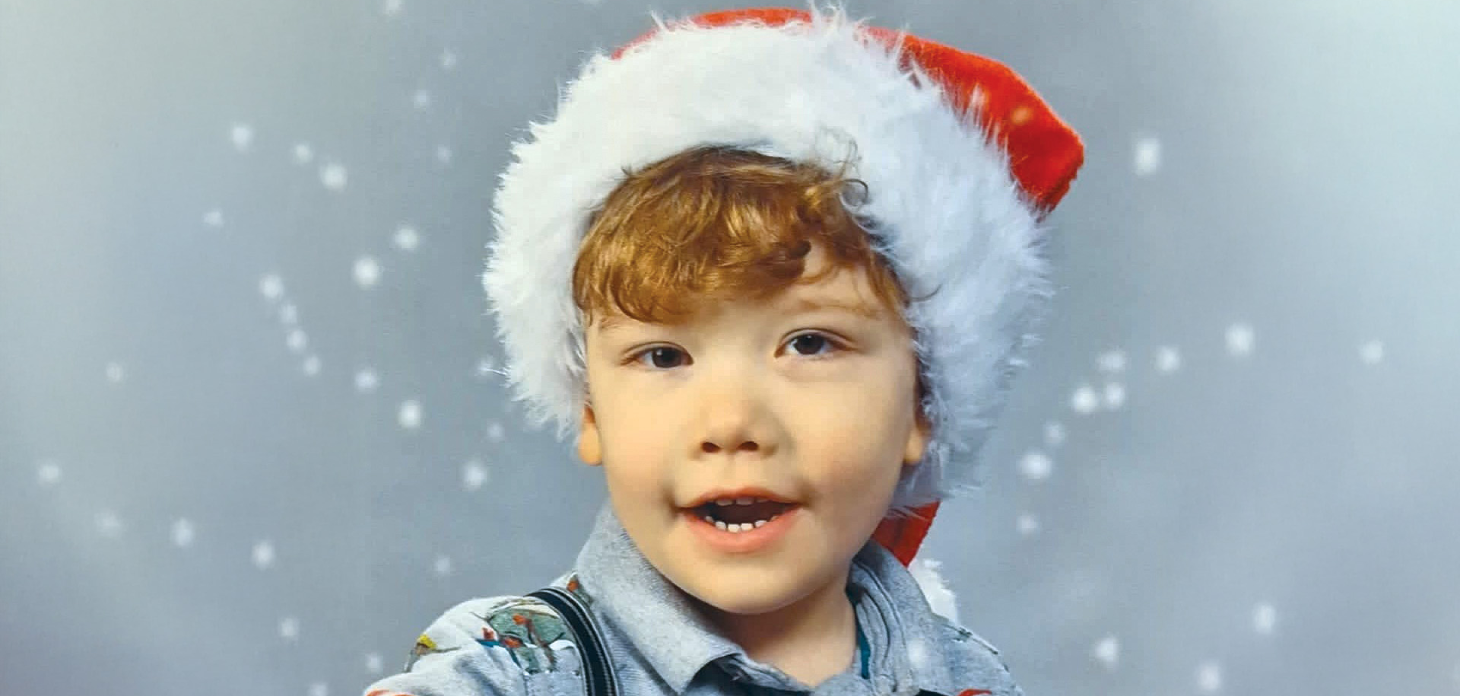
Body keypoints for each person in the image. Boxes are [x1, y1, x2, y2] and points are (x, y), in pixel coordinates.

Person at [363, 4, 1082, 695]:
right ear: (589, 408)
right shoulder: (515, 668)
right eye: (664, 356)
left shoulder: (969, 676)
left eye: (808, 344)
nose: (731, 422)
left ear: (924, 402)